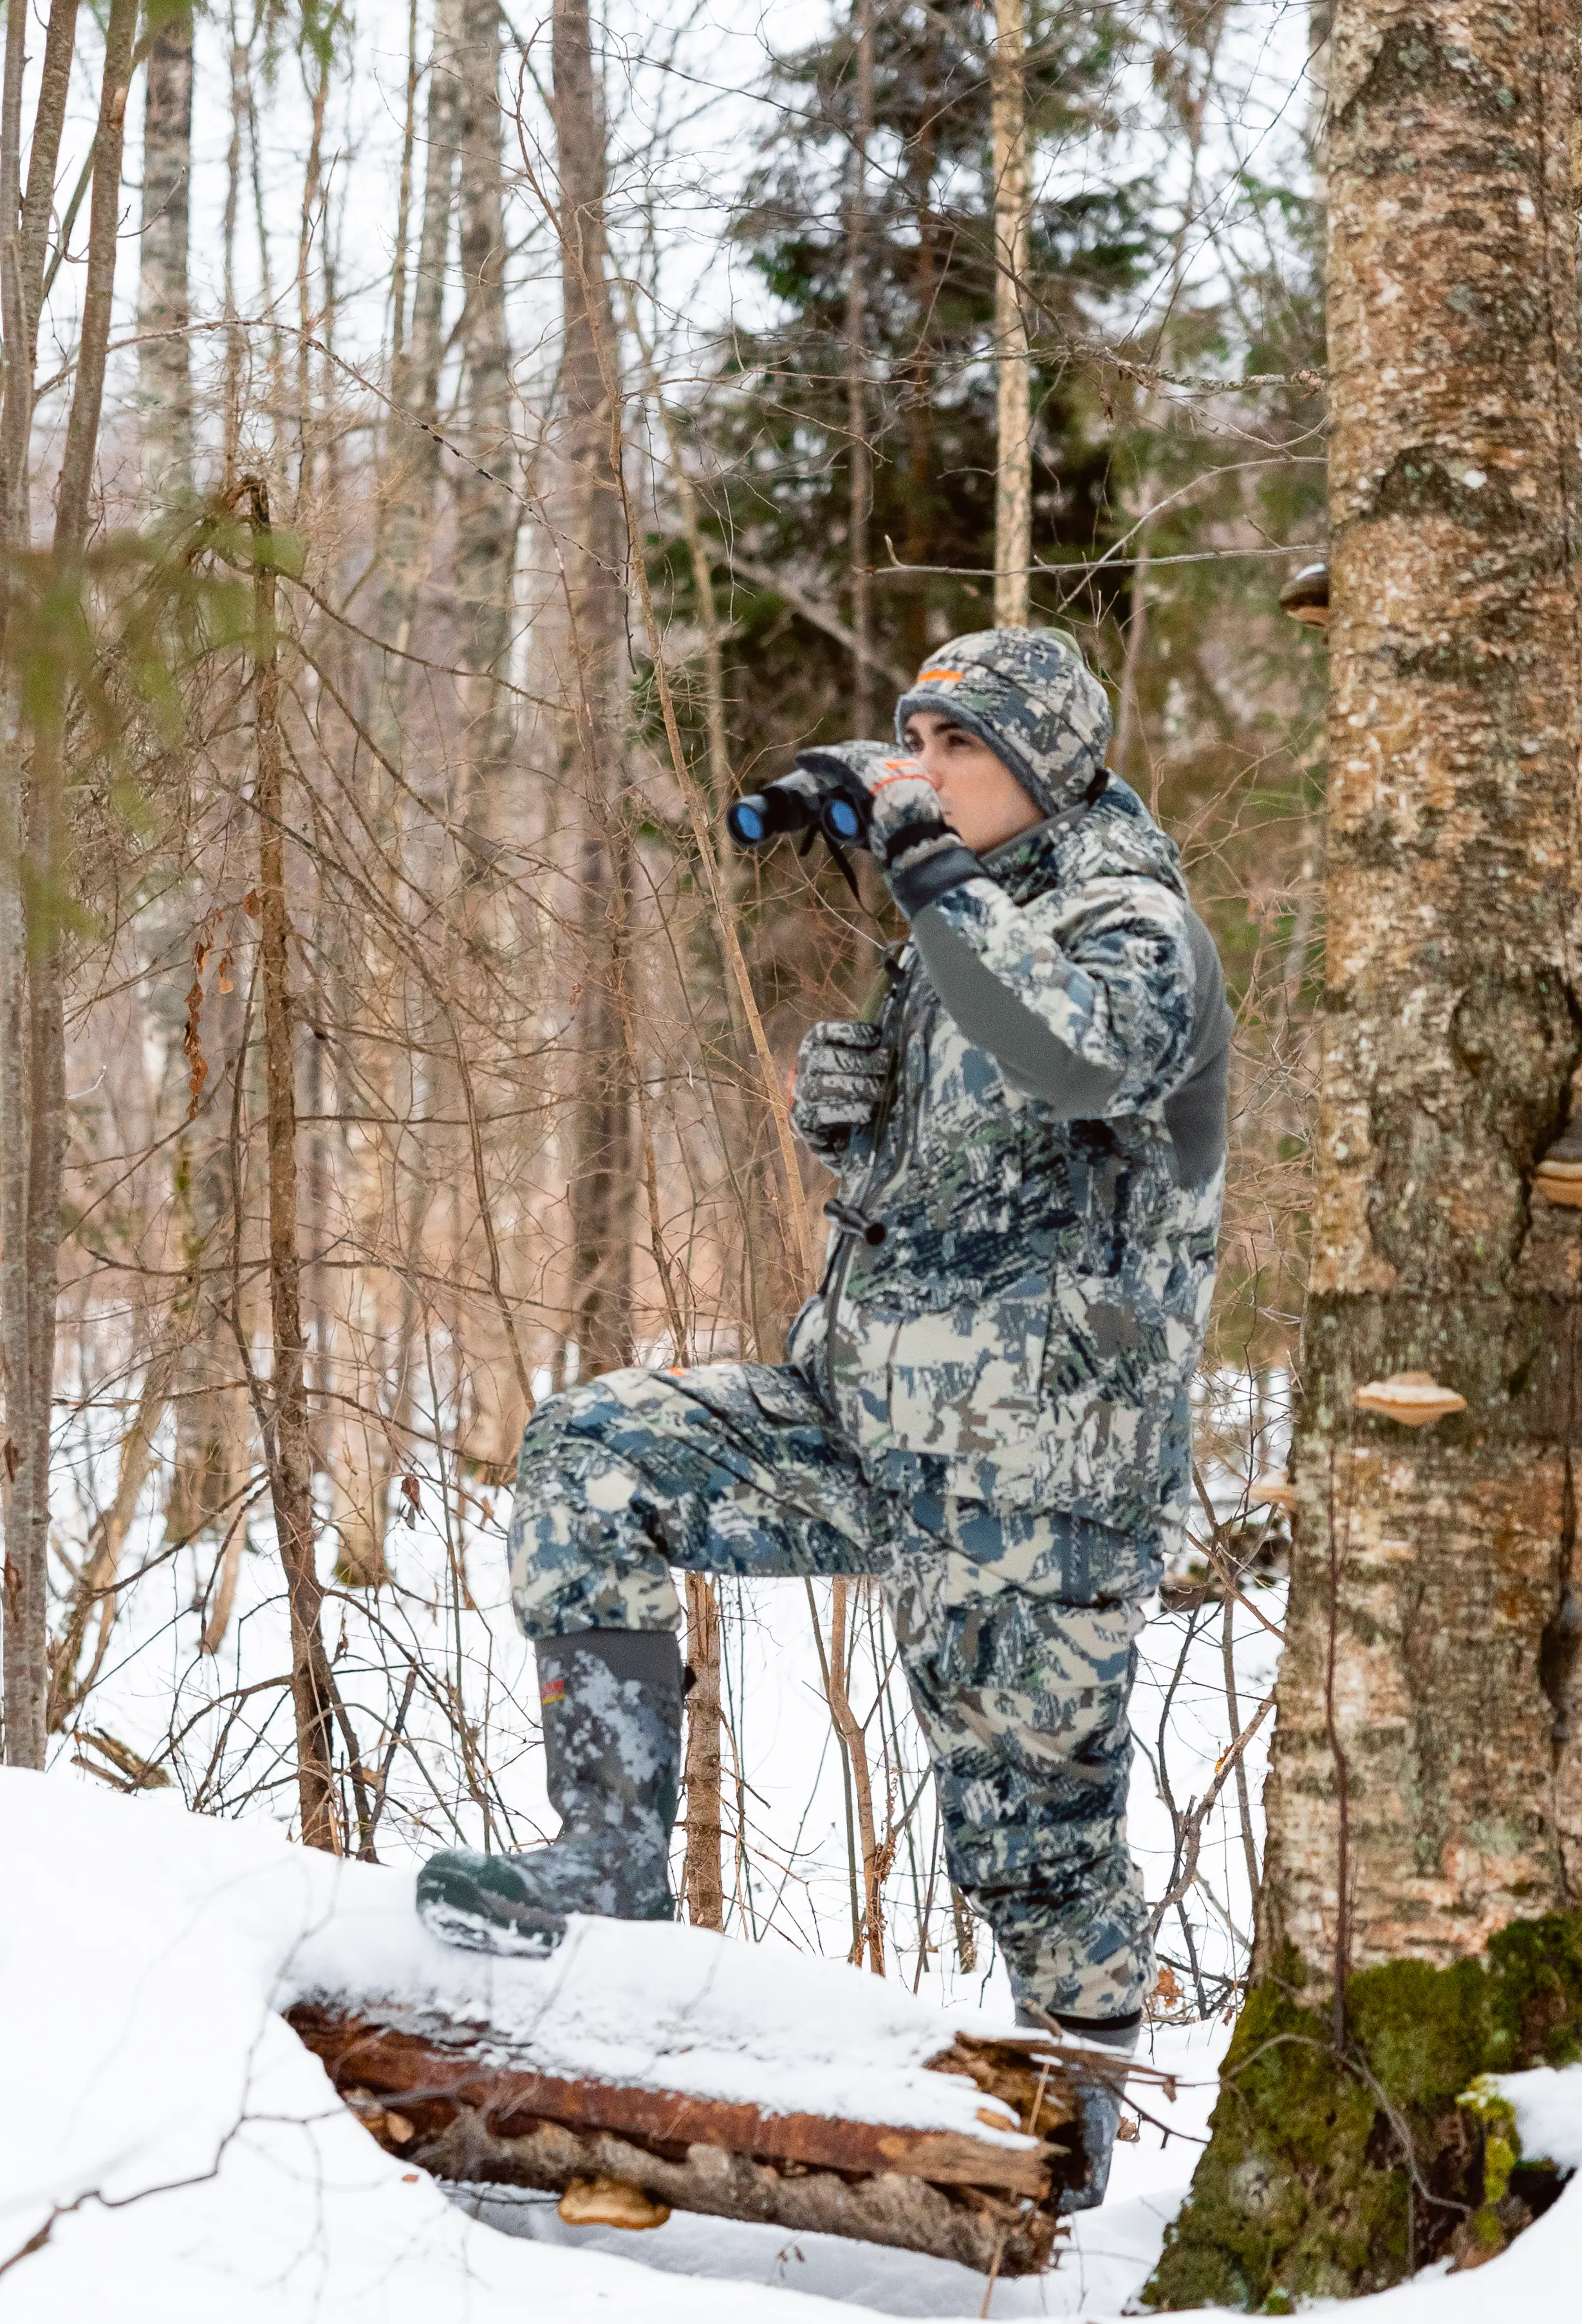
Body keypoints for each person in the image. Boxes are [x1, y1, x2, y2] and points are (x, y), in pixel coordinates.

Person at [413, 627, 1229, 2212]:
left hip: (1034, 1472)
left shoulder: (1136, 925)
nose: (915, 764)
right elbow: (965, 1186)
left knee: (1031, 1835)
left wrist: (918, 862)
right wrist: (861, 1123)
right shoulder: (957, 918)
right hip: (866, 1421)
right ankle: (605, 1857)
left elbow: (1070, 1051)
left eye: (955, 745)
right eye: (905, 737)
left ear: (1045, 768)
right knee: (597, 1450)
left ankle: (1064, 2166)